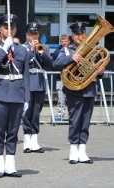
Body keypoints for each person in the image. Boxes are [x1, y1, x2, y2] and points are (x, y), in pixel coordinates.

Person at [0, 14, 30, 178]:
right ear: (0, 29)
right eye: (5, 27)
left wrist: (27, 98)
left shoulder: (23, 49)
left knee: (13, 132)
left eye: (12, 28)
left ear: (16, 29)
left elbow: (25, 75)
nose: (9, 30)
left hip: (17, 93)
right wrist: (4, 49)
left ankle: (10, 165)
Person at [53, 22, 105, 164]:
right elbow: (55, 64)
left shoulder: (92, 49)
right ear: (72, 36)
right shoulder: (67, 50)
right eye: (77, 34)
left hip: (89, 89)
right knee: (75, 120)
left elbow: (95, 69)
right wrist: (71, 58)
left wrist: (100, 72)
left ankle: (82, 151)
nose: (80, 37)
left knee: (86, 121)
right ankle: (73, 151)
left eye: (82, 34)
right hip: (73, 90)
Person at [21, 22, 53, 154]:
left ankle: (34, 140)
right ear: (26, 35)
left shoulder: (44, 47)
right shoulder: (22, 48)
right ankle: (26, 140)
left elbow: (50, 63)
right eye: (31, 34)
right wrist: (30, 51)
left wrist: (40, 51)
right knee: (27, 112)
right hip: (27, 82)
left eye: (35, 33)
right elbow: (21, 63)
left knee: (36, 112)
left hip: (39, 82)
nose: (33, 36)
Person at [52, 34, 70, 120]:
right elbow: (54, 64)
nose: (64, 43)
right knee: (61, 98)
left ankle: (72, 114)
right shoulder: (57, 51)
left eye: (65, 41)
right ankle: (60, 114)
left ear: (69, 41)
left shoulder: (72, 50)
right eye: (62, 41)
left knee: (71, 98)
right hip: (60, 78)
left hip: (71, 78)